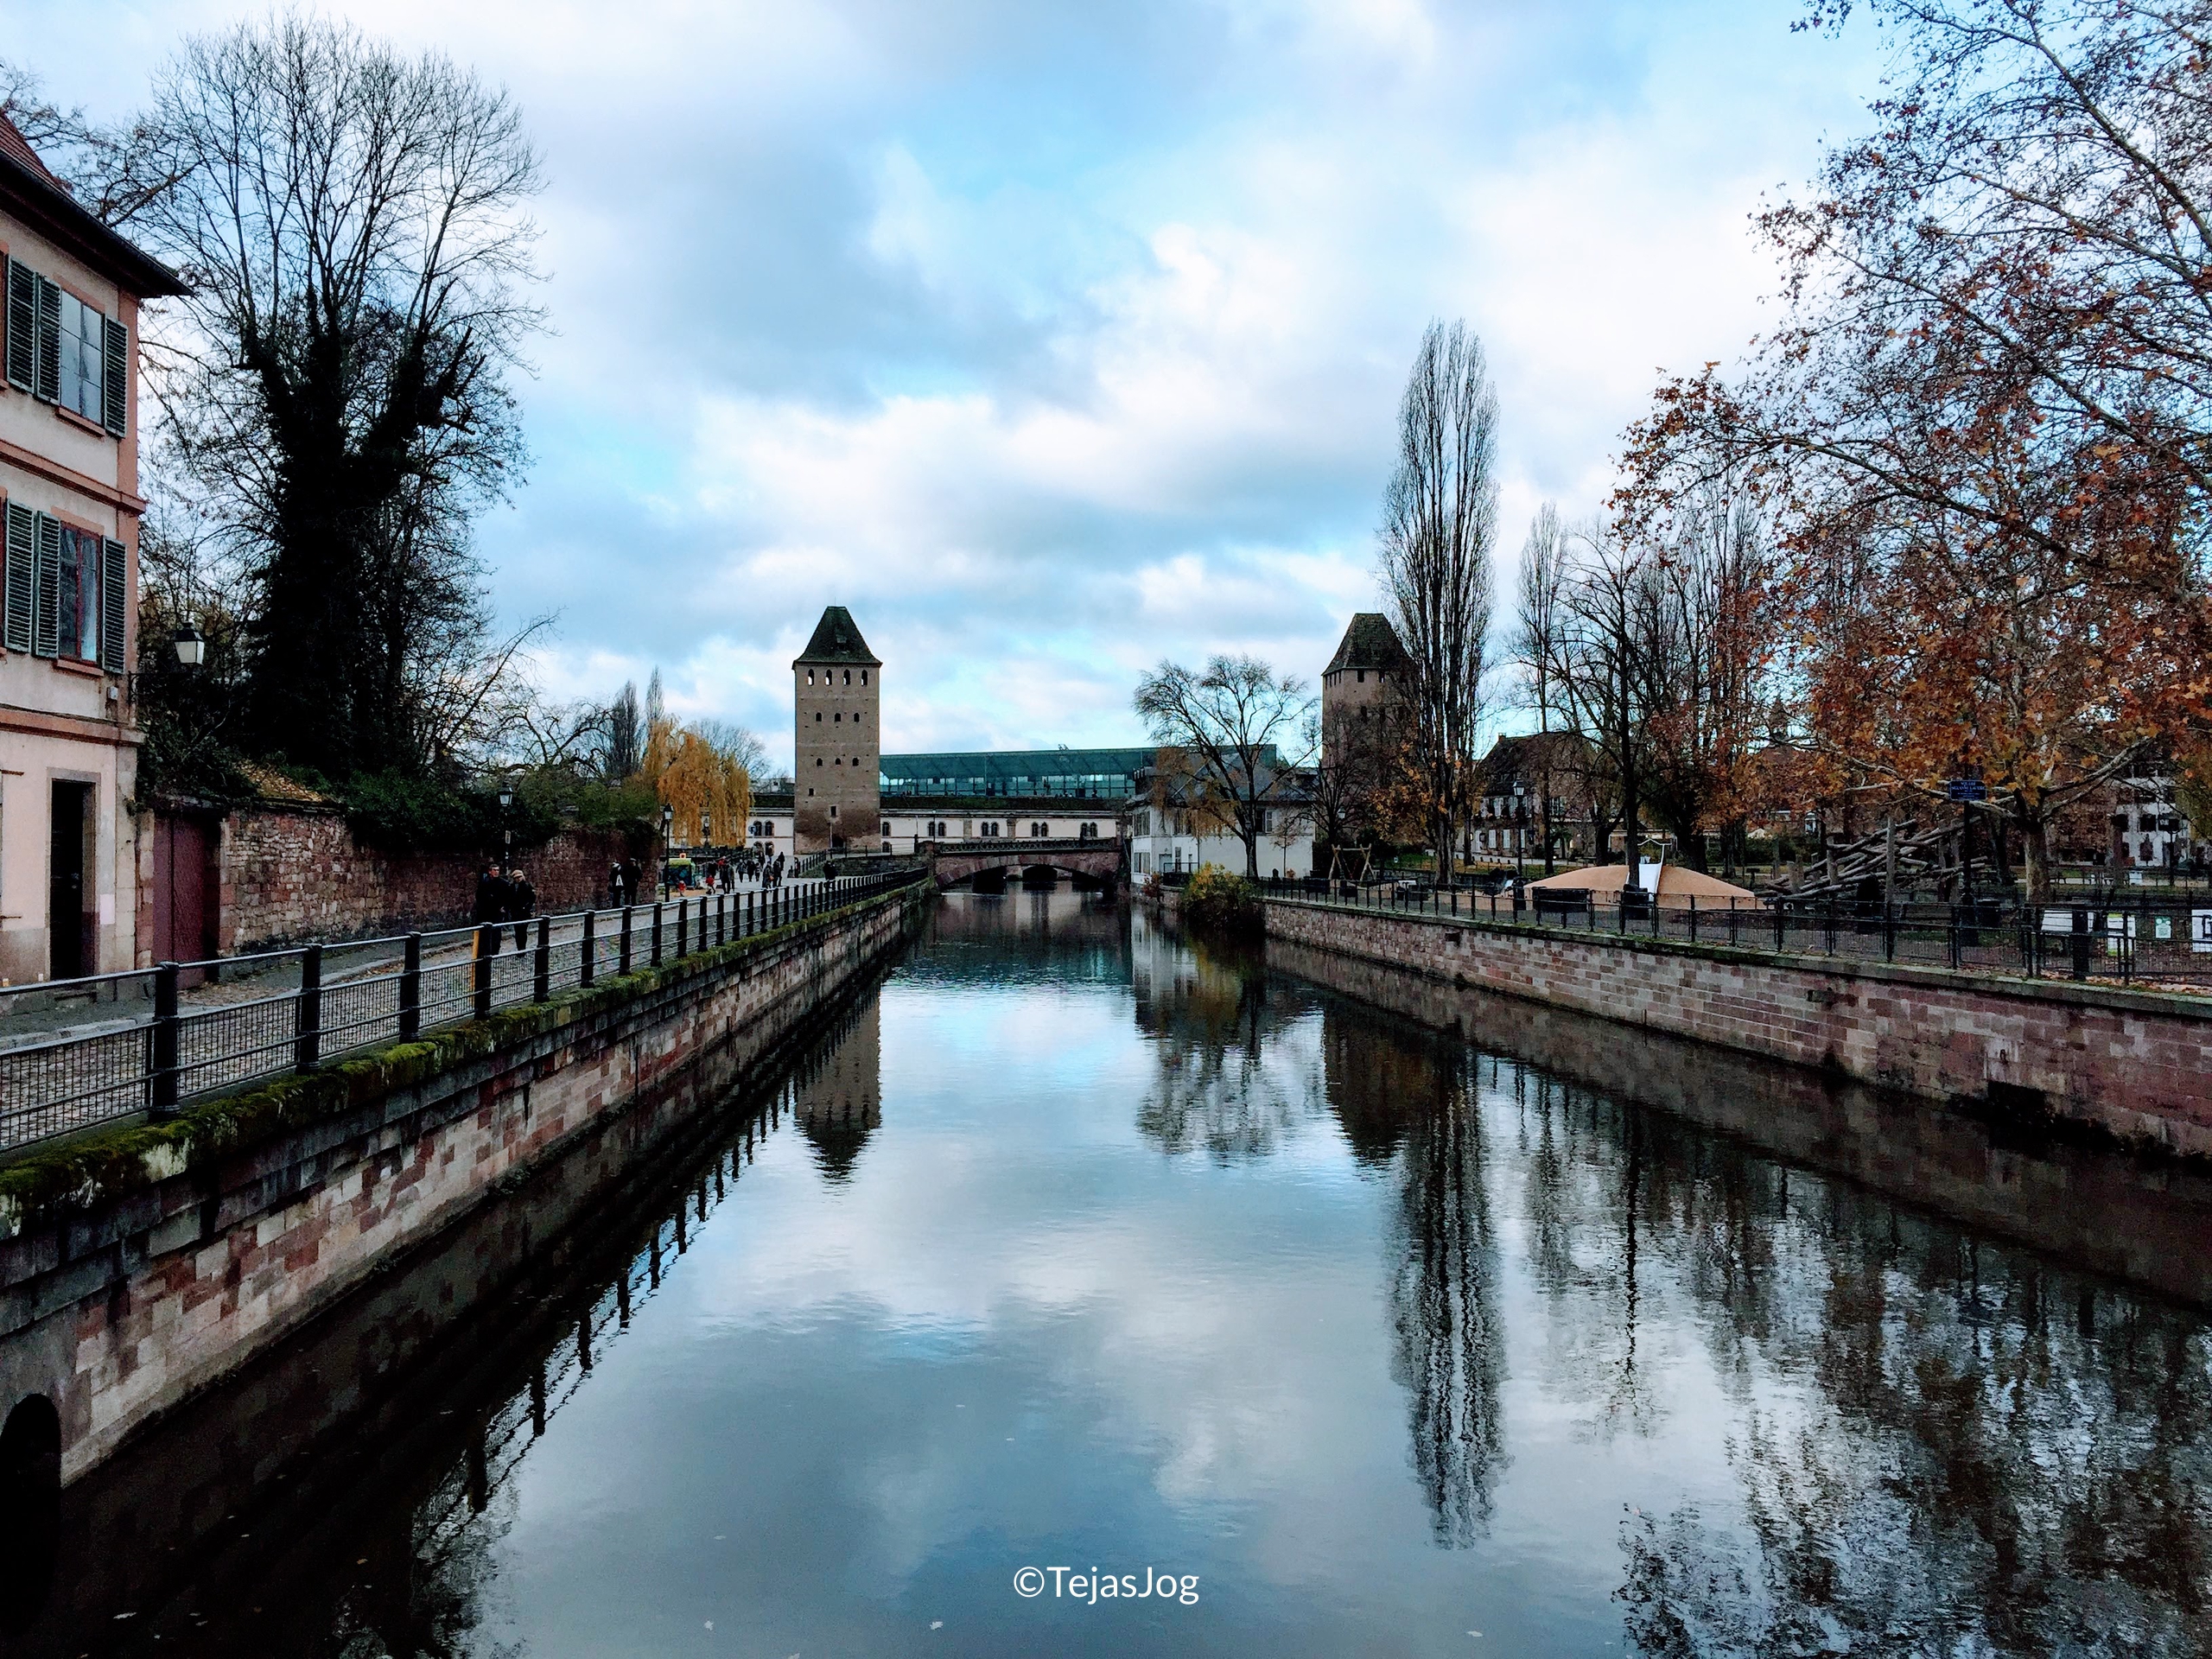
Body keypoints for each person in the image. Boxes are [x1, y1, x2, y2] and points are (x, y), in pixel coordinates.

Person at [473, 861, 510, 956]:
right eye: (494, 870)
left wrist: (504, 908)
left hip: (497, 912)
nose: (496, 872)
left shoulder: (503, 883)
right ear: (490, 871)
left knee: (496, 932)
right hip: (486, 912)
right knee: (486, 932)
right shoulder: (484, 883)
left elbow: (508, 897)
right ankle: (485, 951)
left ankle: (495, 951)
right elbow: (479, 897)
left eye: (498, 870)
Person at [510, 868, 537, 951]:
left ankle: (522, 948)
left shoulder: (527, 886)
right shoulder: (512, 887)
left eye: (519, 877)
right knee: (517, 931)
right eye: (516, 878)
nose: (518, 879)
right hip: (515, 912)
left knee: (523, 931)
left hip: (524, 912)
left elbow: (532, 899)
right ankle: (519, 948)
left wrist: (527, 908)